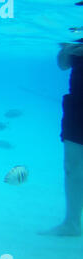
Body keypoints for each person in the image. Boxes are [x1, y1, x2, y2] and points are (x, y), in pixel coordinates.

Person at [40, 40, 83, 236]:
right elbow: (62, 64)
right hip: (77, 103)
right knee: (71, 167)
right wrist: (67, 50)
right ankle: (71, 223)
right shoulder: (77, 33)